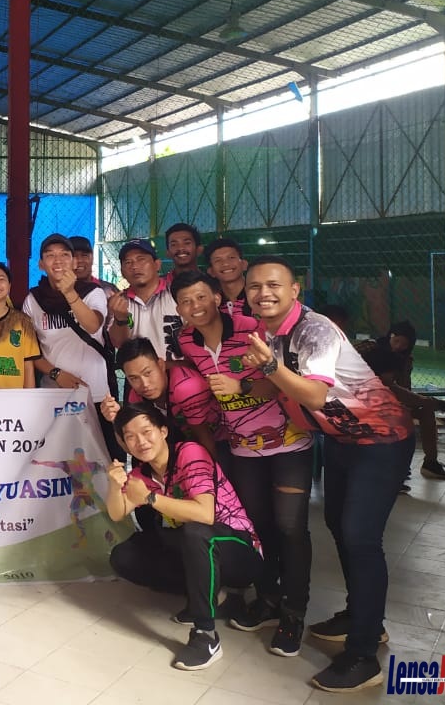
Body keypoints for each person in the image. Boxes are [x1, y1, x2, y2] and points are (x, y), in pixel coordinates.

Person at [241, 256, 414, 693]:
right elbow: (280, 383)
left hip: (382, 439)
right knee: (340, 526)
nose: (263, 293)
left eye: (274, 284)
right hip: (341, 440)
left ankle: (363, 656)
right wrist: (245, 384)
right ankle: (363, 618)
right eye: (255, 286)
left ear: (294, 290)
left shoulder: (314, 330)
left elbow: (315, 395)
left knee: (360, 537)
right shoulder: (271, 332)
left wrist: (268, 367)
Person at [171, 269, 312, 656]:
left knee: (290, 528)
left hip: (290, 442)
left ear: (218, 298)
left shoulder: (254, 329)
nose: (195, 306)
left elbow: (288, 380)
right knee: (260, 526)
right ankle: (268, 599)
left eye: (201, 297)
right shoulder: (187, 341)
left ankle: (294, 614)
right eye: (185, 301)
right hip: (242, 449)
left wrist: (243, 385)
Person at [105, 403, 262, 672]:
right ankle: (217, 597)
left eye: (146, 432)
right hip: (199, 546)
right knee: (125, 556)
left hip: (241, 550)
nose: (141, 441)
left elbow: (204, 515)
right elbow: (117, 512)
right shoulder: (143, 473)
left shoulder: (190, 453)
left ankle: (206, 636)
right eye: (130, 436)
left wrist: (151, 498)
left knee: (195, 532)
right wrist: (113, 484)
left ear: (163, 431)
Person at [357, 321, 445, 483]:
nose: (399, 346)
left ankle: (430, 462)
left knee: (424, 411)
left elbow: (402, 388)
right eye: (397, 341)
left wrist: (412, 402)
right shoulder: (369, 348)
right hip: (361, 401)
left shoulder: (405, 360)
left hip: (389, 400)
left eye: (404, 344)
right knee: (396, 411)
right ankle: (393, 469)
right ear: (391, 335)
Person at [22, 235, 110, 396]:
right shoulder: (33, 300)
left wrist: (69, 292)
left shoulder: (92, 292)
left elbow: (93, 326)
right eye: (50, 255)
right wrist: (56, 374)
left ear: (74, 262)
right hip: (53, 392)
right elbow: (29, 351)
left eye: (64, 255)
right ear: (41, 264)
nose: (58, 261)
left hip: (93, 389)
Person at [108, 238, 183, 361]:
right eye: (128, 262)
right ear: (122, 272)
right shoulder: (118, 302)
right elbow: (119, 344)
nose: (135, 266)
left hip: (180, 370)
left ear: (157, 264)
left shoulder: (177, 293)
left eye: (141, 259)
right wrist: (121, 319)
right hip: (139, 372)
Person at [205, 238, 248, 317]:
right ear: (211, 271)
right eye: (218, 260)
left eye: (231, 257)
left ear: (244, 264)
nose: (225, 264)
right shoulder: (211, 304)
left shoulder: (258, 296)